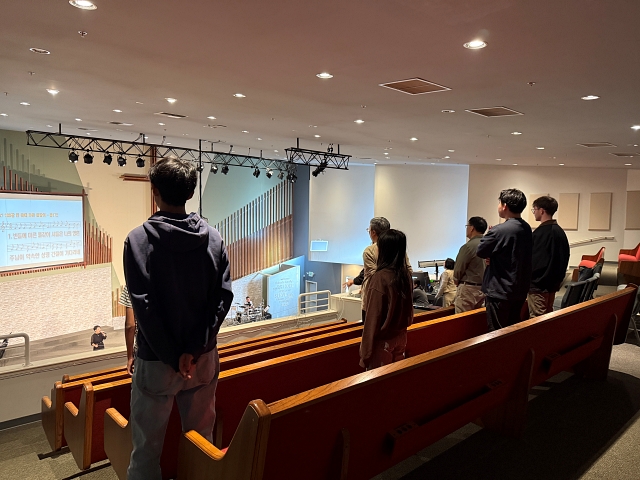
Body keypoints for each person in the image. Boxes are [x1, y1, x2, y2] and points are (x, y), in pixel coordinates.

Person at [124, 157, 233, 480]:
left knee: (145, 452)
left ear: (154, 191)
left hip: (156, 360)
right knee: (202, 444)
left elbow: (143, 308)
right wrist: (193, 349)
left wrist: (174, 355)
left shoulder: (137, 241)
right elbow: (223, 298)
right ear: (189, 192)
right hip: (202, 360)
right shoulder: (214, 238)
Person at [477, 188, 532, 331]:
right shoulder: (526, 228)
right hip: (519, 289)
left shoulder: (499, 230)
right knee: (512, 328)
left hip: (500, 289)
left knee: (497, 331)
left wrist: (490, 234)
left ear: (504, 206)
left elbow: (481, 250)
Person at [360, 229, 413, 369]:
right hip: (401, 336)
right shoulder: (406, 275)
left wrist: (365, 354)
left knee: (381, 380)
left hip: (383, 342)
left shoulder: (380, 278)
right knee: (396, 376)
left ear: (384, 250)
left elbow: (373, 318)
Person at [527, 196, 570, 317]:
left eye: (534, 209)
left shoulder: (540, 233)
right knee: (547, 317)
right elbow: (565, 257)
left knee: (537, 320)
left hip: (539, 286)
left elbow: (535, 261)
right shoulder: (559, 231)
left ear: (541, 211)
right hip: (552, 284)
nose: (534, 212)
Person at [453, 217, 488, 313]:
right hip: (484, 288)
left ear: (472, 228)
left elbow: (458, 269)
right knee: (476, 318)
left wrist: (456, 280)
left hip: (468, 289)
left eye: (467, 226)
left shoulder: (468, 246)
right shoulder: (489, 244)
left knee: (462, 319)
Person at [118, 285, 136, 375]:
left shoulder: (134, 284)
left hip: (146, 351)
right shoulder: (170, 280)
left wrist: (130, 356)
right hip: (172, 349)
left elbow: (130, 326)